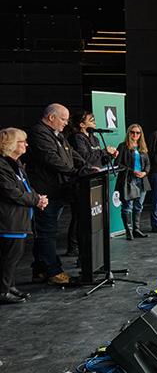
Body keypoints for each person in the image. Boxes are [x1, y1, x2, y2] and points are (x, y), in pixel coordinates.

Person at [27, 103, 91, 285]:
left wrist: (87, 167)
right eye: (63, 119)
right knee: (47, 232)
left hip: (58, 191)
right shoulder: (39, 133)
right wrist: (75, 172)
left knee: (46, 231)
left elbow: (71, 155)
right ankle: (53, 271)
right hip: (46, 192)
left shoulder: (58, 134)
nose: (66, 123)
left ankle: (39, 269)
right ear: (51, 117)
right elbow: (51, 159)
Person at [0, 128, 49, 303]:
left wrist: (38, 198)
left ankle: (9, 287)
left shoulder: (16, 163)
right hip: (8, 221)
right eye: (23, 141)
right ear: (12, 144)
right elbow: (10, 192)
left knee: (14, 257)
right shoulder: (2, 165)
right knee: (8, 258)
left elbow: (26, 186)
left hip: (20, 219)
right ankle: (2, 291)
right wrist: (36, 200)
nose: (26, 144)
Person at [65, 110, 117, 255]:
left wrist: (109, 155)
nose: (94, 120)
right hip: (81, 182)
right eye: (91, 119)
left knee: (92, 213)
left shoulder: (94, 137)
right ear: (82, 124)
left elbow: (100, 160)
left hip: (95, 180)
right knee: (79, 215)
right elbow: (85, 157)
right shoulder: (77, 138)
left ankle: (89, 241)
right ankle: (73, 246)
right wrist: (103, 151)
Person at [114, 124, 150, 240]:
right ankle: (129, 231)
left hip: (142, 180)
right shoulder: (123, 146)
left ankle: (136, 229)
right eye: (132, 132)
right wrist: (132, 171)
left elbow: (148, 164)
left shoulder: (142, 147)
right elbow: (117, 164)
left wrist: (145, 172)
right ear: (128, 133)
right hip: (128, 180)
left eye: (138, 133)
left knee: (139, 206)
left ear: (141, 134)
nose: (135, 135)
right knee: (127, 207)